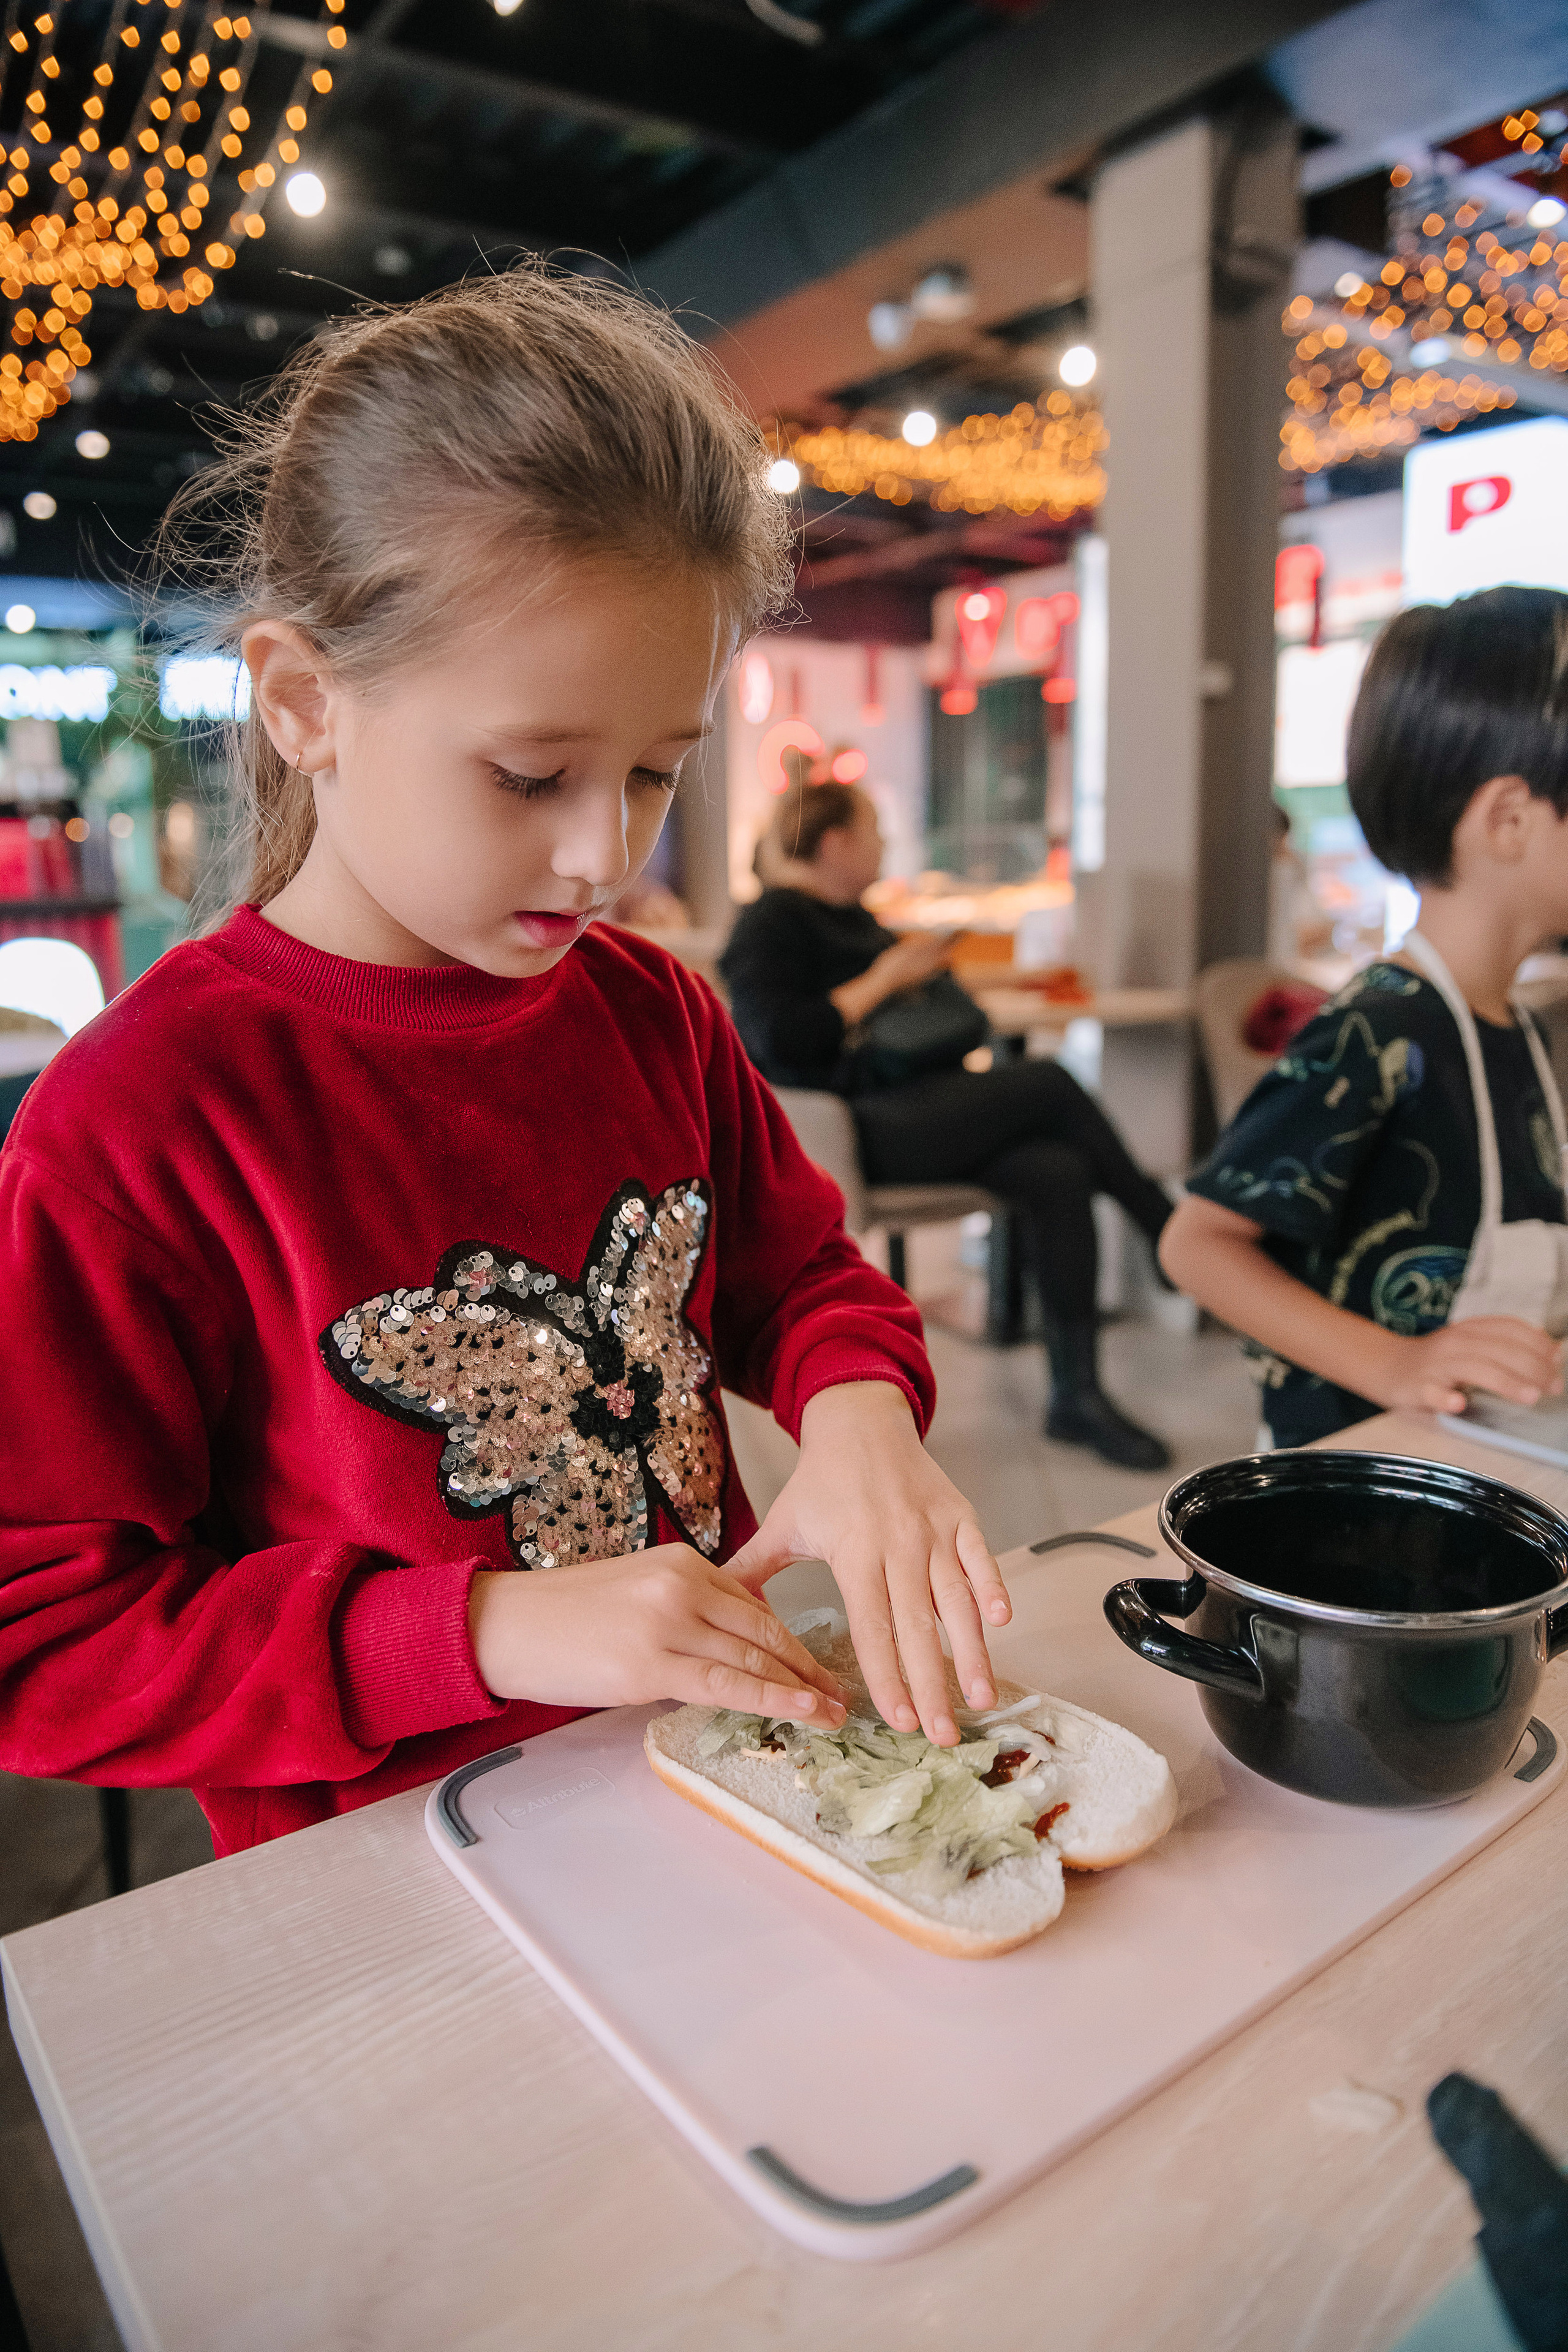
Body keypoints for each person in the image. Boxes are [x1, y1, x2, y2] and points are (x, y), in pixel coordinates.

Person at [0, 266, 1016, 1860]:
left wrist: (863, 1416)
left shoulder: (649, 1014)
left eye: (653, 773)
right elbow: (49, 1636)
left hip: (731, 1793)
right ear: (304, 700)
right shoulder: (144, 1121)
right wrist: (489, 1632)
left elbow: (802, 1279)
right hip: (401, 1886)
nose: (600, 852)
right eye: (531, 773)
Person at [1162, 586, 1568, 1447]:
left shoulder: (1523, 1030)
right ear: (1507, 820)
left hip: (1473, 1462)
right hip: (1356, 1488)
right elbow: (1197, 1244)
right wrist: (1394, 1365)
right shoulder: (1380, 1030)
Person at [721, 779, 1176, 1470]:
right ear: (834, 841)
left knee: (1059, 1170)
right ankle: (1165, 1232)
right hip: (855, 1129)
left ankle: (1076, 1397)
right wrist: (885, 978)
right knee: (1051, 1083)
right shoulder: (772, 922)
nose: (885, 845)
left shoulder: (859, 917)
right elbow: (774, 1039)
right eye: (873, 830)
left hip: (924, 1108)